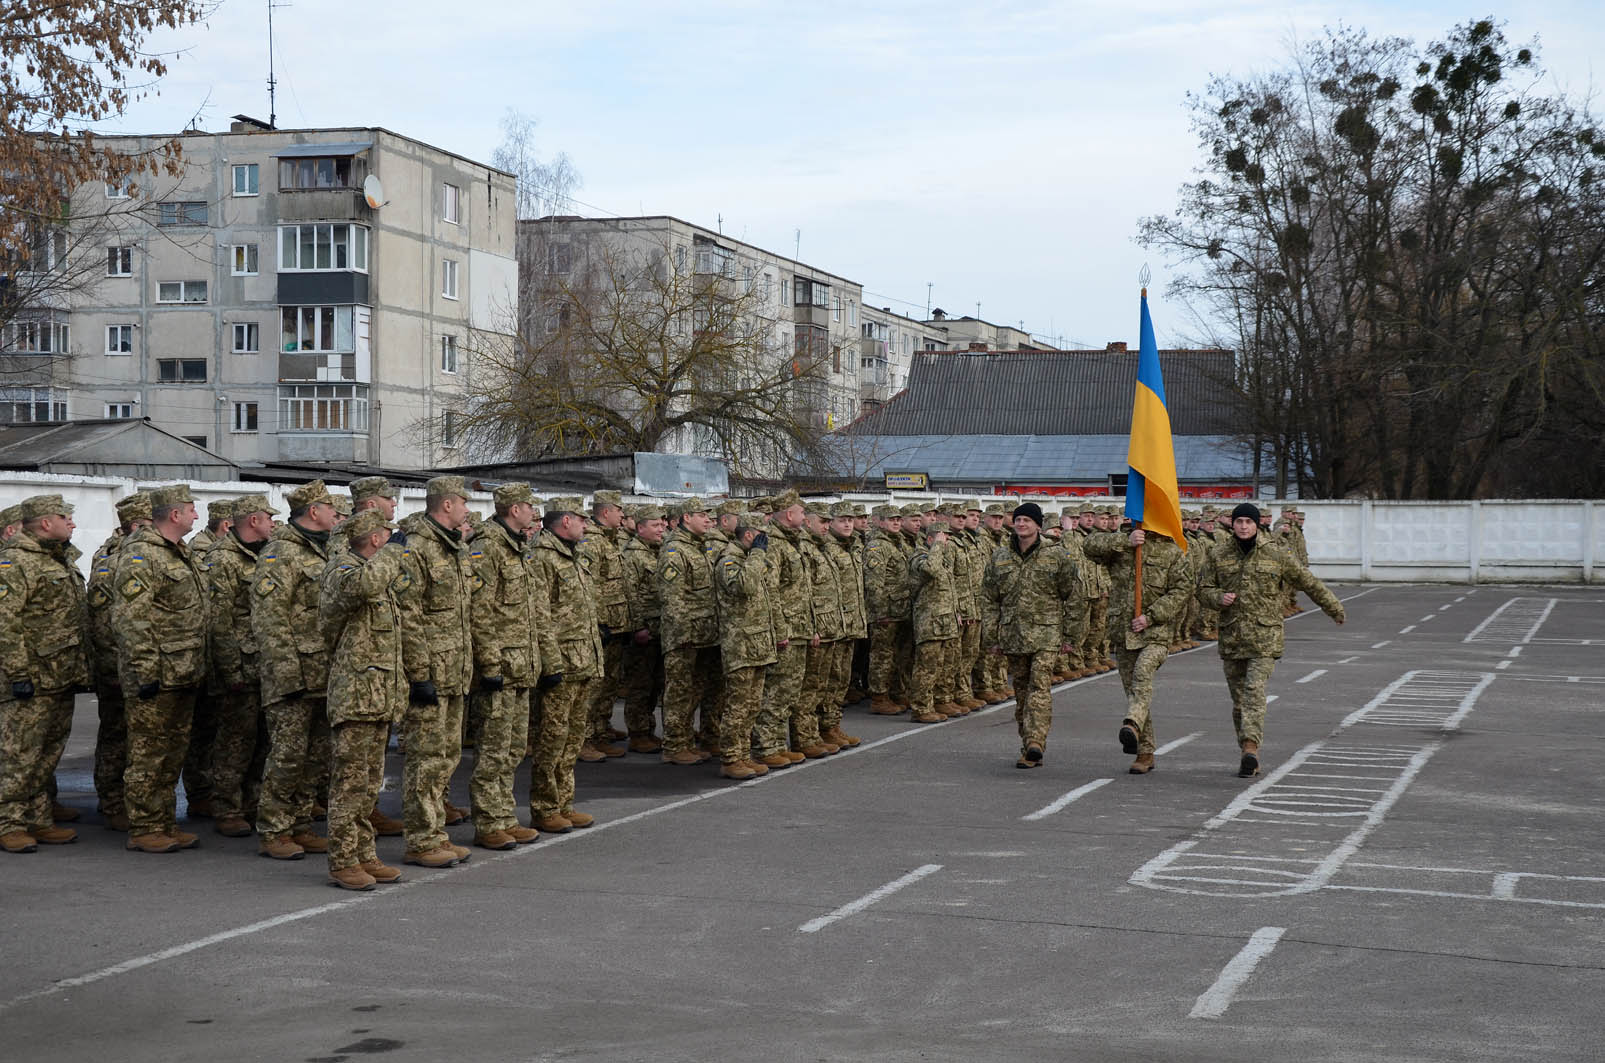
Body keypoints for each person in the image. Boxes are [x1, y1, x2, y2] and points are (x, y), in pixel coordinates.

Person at [1196, 502, 1345, 777]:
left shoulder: (1276, 552)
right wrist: (1218, 597)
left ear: (1256, 525)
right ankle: (1246, 750)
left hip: (1265, 638)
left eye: (1248, 522)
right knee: (1239, 702)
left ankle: (1251, 747)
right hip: (1232, 638)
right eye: (1239, 522)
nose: (1243, 527)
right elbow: (1202, 589)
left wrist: (1333, 607)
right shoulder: (1218, 554)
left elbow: (1307, 581)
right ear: (1232, 524)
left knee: (1254, 692)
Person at [112, 483, 209, 853]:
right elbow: (130, 619)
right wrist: (145, 671)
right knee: (148, 753)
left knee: (171, 752)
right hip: (156, 674)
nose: (196, 516)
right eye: (191, 509)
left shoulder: (178, 553)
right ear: (174, 514)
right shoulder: (141, 555)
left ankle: (163, 822)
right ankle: (144, 826)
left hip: (183, 671)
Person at [318, 510, 408, 890]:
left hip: (377, 695)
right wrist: (394, 552)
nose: (391, 539)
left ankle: (364, 853)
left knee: (370, 784)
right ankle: (342, 861)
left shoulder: (373, 570)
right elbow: (366, 586)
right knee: (349, 784)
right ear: (374, 539)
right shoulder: (343, 570)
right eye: (386, 533)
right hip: (354, 694)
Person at [251, 480, 339, 862]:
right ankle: (275, 830)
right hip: (293, 676)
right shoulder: (281, 553)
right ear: (313, 512)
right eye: (330, 507)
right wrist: (287, 677)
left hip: (325, 673)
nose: (337, 514)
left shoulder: (328, 549)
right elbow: (270, 619)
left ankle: (301, 824)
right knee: (287, 756)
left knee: (317, 757)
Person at [394, 475, 477, 868]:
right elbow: (408, 615)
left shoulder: (454, 546)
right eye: (463, 501)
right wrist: (419, 673)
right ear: (446, 504)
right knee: (425, 760)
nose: (467, 508)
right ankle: (422, 840)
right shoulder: (418, 547)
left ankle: (436, 834)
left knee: (445, 758)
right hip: (431, 670)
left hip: (455, 669)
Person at [0, 495, 88, 854]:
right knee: (19, 754)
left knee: (48, 754)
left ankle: (38, 818)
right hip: (30, 678)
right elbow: (6, 623)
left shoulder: (57, 559)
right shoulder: (15, 561)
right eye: (64, 516)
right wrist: (17, 673)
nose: (71, 523)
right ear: (44, 522)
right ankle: (9, 823)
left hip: (59, 675)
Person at [1083, 515, 1193, 774]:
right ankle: (1145, 752)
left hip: (1155, 633)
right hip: (1123, 632)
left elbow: (1181, 590)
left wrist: (1151, 616)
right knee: (1135, 691)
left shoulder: (1171, 551)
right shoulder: (1123, 544)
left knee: (1143, 674)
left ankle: (1131, 723)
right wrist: (1126, 540)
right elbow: (1089, 546)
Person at [466, 483, 544, 848]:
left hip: (520, 664)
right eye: (529, 505)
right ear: (514, 509)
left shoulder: (518, 546)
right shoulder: (489, 546)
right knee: (492, 749)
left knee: (513, 748)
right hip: (500, 666)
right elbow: (481, 611)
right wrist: (490, 664)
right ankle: (488, 822)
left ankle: (504, 815)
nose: (533, 511)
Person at [980, 503, 1082, 767]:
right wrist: (991, 637)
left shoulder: (1057, 555)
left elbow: (1073, 596)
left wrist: (1070, 636)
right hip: (1014, 635)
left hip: (1047, 634)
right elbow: (990, 599)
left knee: (1039, 687)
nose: (1021, 524)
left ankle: (1036, 740)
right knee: (1022, 692)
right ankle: (1028, 746)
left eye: (1027, 520)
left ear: (1038, 525)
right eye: (1018, 519)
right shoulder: (1000, 557)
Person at [202, 493, 278, 837]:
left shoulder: (264, 553)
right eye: (268, 518)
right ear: (252, 521)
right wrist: (230, 669)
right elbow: (218, 621)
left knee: (262, 740)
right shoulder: (223, 558)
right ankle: (227, 806)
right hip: (239, 667)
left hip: (266, 663)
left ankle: (252, 802)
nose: (273, 524)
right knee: (235, 742)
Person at [527, 498, 603, 832]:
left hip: (583, 660)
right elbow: (540, 615)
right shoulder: (542, 556)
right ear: (566, 520)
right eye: (582, 521)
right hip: (562, 663)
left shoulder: (571, 555)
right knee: (552, 738)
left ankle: (563, 803)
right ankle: (544, 807)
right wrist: (550, 663)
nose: (586, 527)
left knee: (573, 738)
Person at [87, 491, 151, 832]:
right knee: (116, 734)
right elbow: (101, 620)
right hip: (117, 665)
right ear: (137, 525)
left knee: (137, 738)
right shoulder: (111, 560)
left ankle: (130, 801)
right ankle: (112, 800)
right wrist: (111, 667)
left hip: (138, 664)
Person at [657, 498, 721, 765]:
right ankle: (674, 745)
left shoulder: (701, 547)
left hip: (703, 632)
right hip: (684, 635)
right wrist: (682, 634)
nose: (707, 520)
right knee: (680, 690)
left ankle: (687, 740)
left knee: (697, 689)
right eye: (701, 515)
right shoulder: (675, 550)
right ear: (686, 518)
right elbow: (673, 598)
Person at [712, 524, 778, 780]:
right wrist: (758, 555)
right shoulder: (729, 560)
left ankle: (742, 753)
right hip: (740, 644)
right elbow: (745, 587)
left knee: (752, 705)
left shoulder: (749, 559)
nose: (765, 540)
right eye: (761, 534)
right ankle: (730, 758)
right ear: (749, 535)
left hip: (757, 642)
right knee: (737, 706)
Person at [578, 490, 630, 761]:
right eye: (619, 510)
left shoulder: (609, 541)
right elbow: (588, 586)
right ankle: (584, 739)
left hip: (616, 624)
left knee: (608, 685)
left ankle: (599, 733)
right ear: (606, 512)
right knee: (594, 688)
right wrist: (598, 622)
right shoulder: (591, 542)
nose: (622, 515)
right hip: (602, 627)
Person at [619, 503, 667, 753]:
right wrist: (638, 627)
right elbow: (630, 593)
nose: (662, 528)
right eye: (656, 525)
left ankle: (648, 730)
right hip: (644, 630)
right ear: (640, 528)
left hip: (659, 628)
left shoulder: (658, 552)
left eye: (663, 524)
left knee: (655, 684)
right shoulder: (633, 554)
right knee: (640, 684)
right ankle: (637, 733)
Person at [907, 522, 960, 725]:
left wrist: (956, 613)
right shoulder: (920, 557)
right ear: (930, 539)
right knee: (926, 667)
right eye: (943, 538)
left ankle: (938, 701)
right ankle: (921, 708)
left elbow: (949, 590)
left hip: (945, 620)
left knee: (942, 665)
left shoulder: (940, 558)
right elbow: (931, 569)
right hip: (929, 621)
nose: (946, 542)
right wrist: (937, 546)